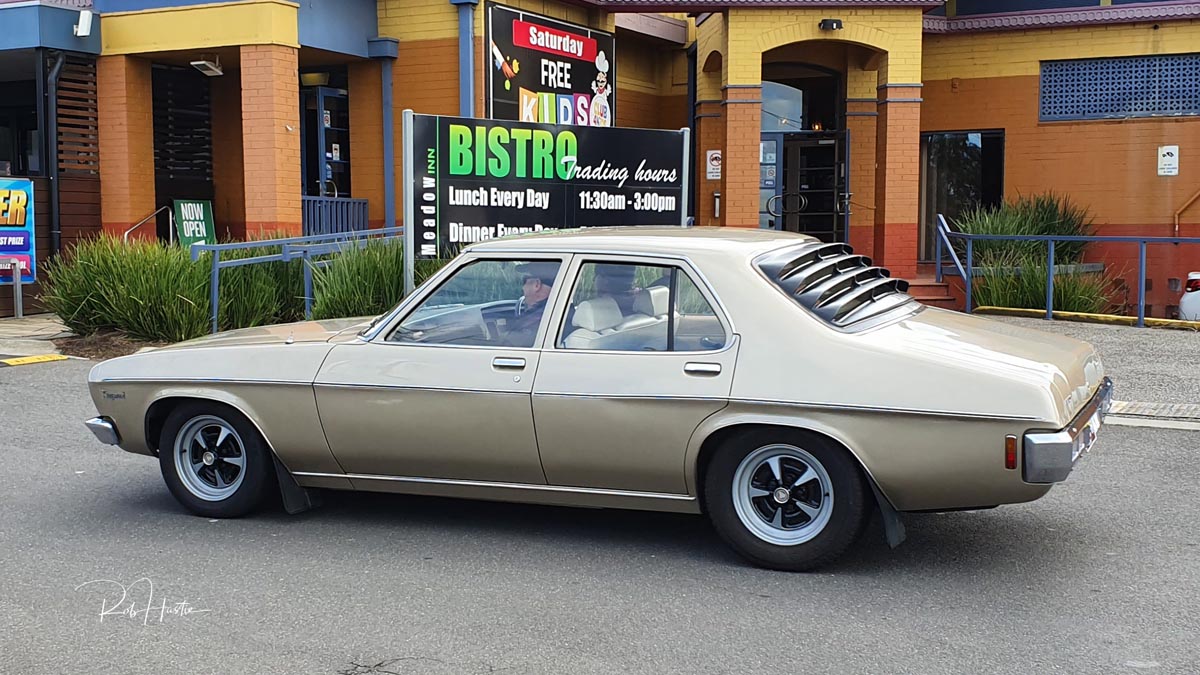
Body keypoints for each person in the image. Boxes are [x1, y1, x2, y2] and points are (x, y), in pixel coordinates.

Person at [501, 261, 558, 347]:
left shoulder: (538, 319)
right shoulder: (559, 312)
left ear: (537, 284)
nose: (522, 287)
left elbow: (508, 345)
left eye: (524, 281)